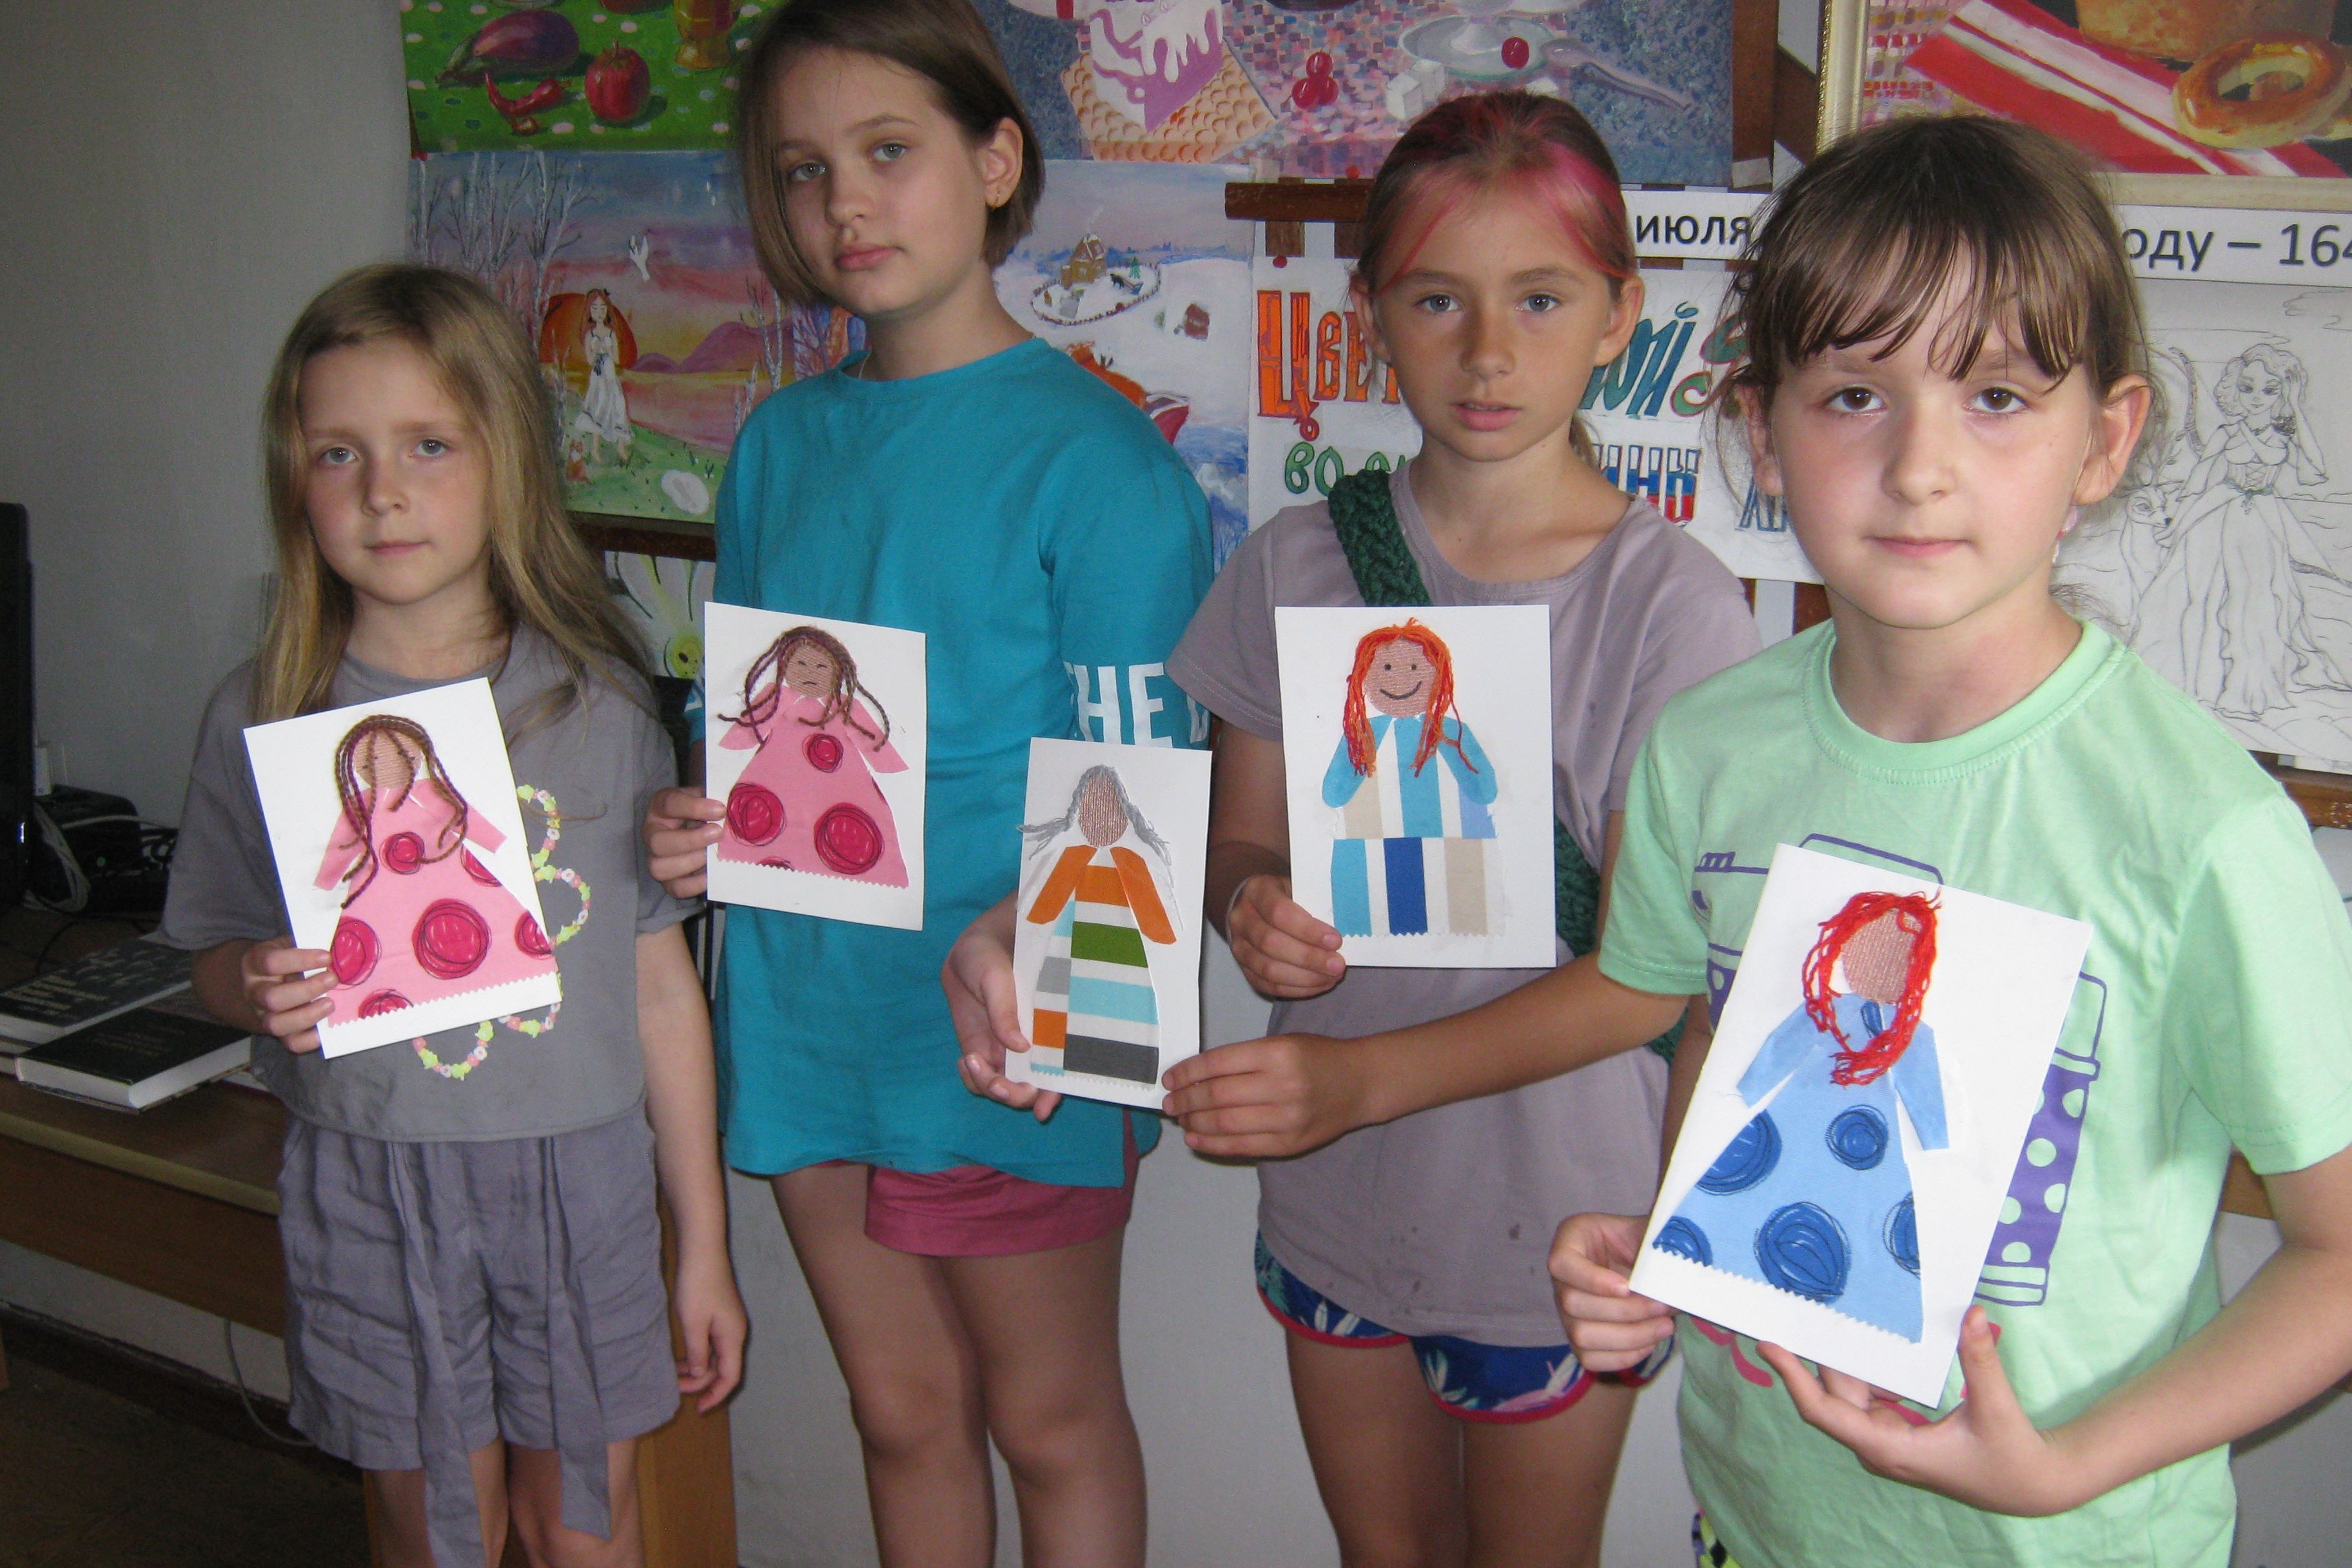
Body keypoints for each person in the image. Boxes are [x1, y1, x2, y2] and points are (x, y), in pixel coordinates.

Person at [1526, 119, 2352, 1567]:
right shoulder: (1706, 751)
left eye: (1995, 396)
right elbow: (1719, 1033)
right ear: (1759, 430)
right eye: (1854, 394)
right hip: (1761, 1521)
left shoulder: (2202, 829)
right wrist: (1669, 1243)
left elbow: (2339, 1255)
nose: (1919, 466)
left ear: (2103, 440)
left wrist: (2061, 1468)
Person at [1141, 90, 1761, 1565]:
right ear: (1371, 314)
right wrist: (1251, 908)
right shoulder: (1295, 560)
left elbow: (1650, 977)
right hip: (1336, 1193)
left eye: (1539, 299)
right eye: (1438, 300)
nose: (1488, 352)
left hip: (1559, 1212)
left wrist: (1358, 1080)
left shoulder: (1671, 608)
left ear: (1619, 315)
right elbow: (1241, 839)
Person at [639, 3, 1210, 1563]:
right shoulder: (778, 446)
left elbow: (1145, 799)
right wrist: (702, 820)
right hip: (812, 1012)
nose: (845, 202)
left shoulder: (1103, 467)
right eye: (803, 168)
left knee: (1050, 1420)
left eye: (888, 151)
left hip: (1005, 1034)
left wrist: (1048, 966)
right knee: (898, 1414)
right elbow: (767, 730)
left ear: (995, 160)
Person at [162, 264, 745, 1568]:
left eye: (428, 443)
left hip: (578, 1183)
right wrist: (248, 978)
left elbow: (660, 989)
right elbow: (205, 947)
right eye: (339, 452)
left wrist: (702, 1246)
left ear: (505, 459)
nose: (384, 489)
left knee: (584, 1524)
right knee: (436, 1530)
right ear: (295, 480)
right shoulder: (263, 712)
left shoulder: (598, 703)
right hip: (371, 1184)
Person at [574, 289, 633, 467]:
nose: (599, 312)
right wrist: (596, 349)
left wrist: (606, 349)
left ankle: (621, 448)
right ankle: (595, 449)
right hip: (598, 377)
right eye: (595, 308)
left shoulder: (611, 333)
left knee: (617, 407)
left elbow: (617, 359)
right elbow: (589, 360)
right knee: (598, 408)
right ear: (589, 311)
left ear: (607, 310)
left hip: (610, 375)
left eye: (602, 308)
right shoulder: (589, 335)